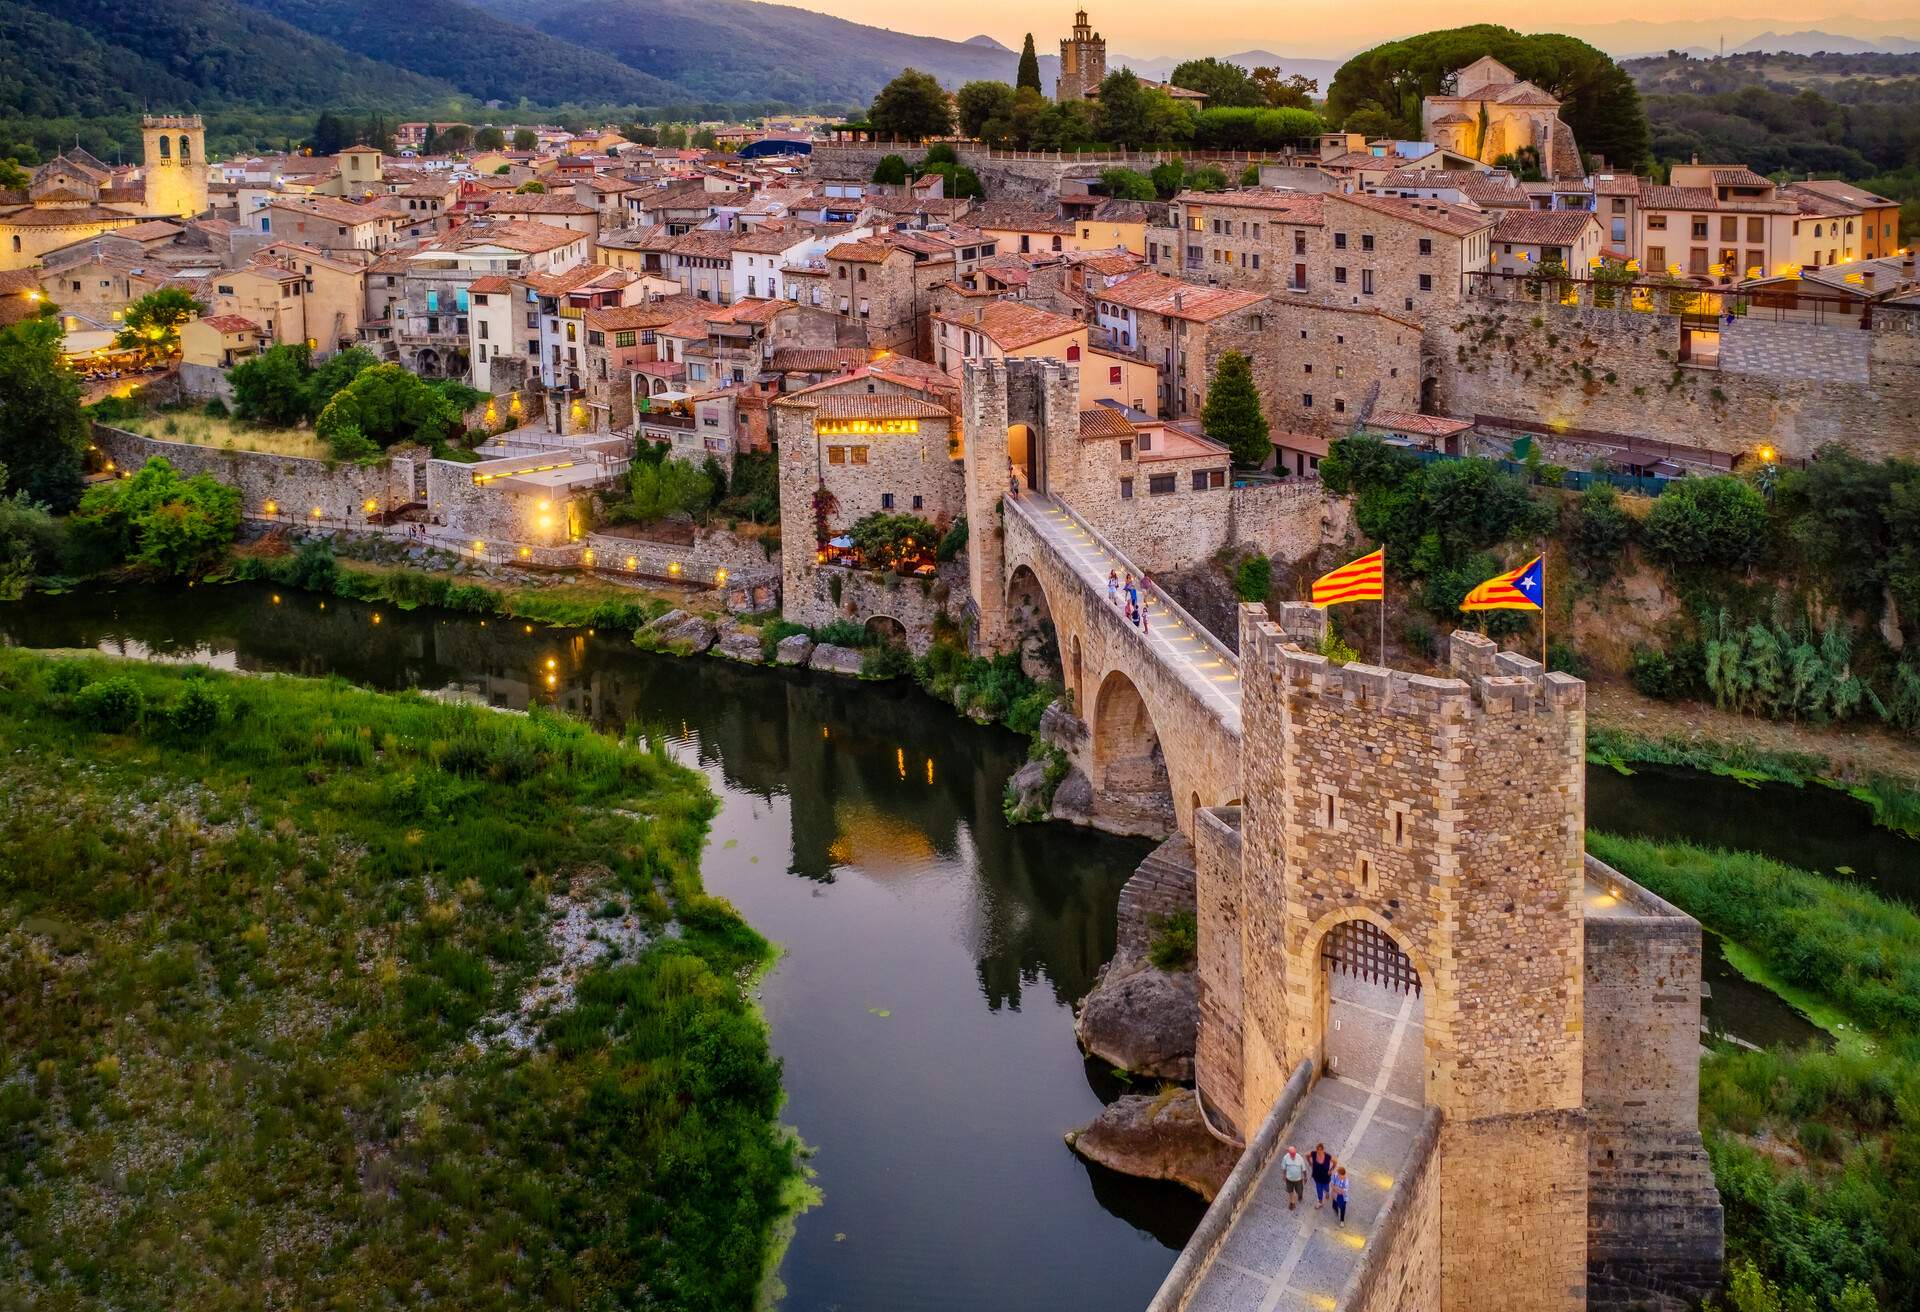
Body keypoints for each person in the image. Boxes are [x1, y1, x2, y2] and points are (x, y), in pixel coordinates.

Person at [1279, 1145, 1307, 1210]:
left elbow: (1304, 1169)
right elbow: (1284, 1168)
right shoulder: (1285, 1158)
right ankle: (1292, 1202)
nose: (1293, 1154)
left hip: (1298, 1180)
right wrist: (1284, 1175)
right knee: (1290, 1191)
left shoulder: (1300, 1158)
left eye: (1294, 1153)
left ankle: (1300, 1195)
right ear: (1289, 1153)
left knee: (1299, 1191)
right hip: (1289, 1179)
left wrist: (1305, 1177)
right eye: (1291, 1153)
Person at [1309, 1143, 1334, 1208]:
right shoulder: (1314, 1154)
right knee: (1319, 1190)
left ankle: (1327, 1192)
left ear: (1323, 1150)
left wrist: (1331, 1170)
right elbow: (1307, 1155)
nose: (1319, 1151)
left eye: (1321, 1150)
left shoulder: (1328, 1156)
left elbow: (1335, 1162)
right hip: (1317, 1177)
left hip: (1325, 1178)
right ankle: (1320, 1202)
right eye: (1318, 1150)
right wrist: (1310, 1163)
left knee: (1326, 1188)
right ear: (1316, 1150)